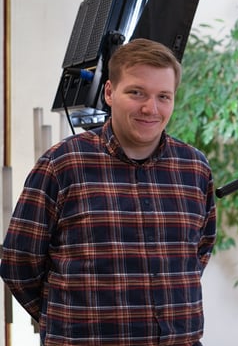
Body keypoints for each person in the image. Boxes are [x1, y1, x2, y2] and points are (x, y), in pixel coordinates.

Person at [1, 38, 216, 346]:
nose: (150, 108)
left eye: (163, 96)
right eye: (136, 92)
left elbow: (200, 251)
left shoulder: (194, 167)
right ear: (110, 92)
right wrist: (64, 319)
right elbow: (18, 262)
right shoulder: (62, 164)